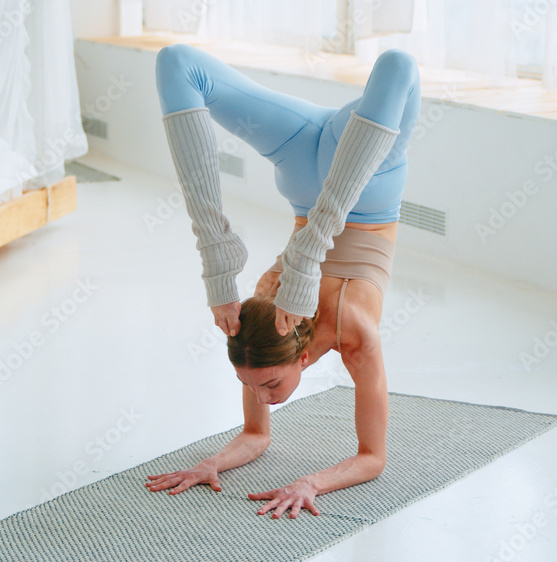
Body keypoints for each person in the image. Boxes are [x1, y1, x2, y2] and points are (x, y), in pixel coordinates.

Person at [144, 44, 421, 519]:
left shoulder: (300, 326)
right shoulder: (284, 348)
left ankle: (255, 247)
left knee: (398, 64)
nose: (262, 397)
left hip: (345, 175)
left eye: (267, 386)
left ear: (302, 357)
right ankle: (228, 248)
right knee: (173, 62)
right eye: (254, 387)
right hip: (355, 160)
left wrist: (311, 483)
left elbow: (374, 459)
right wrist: (210, 463)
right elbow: (258, 437)